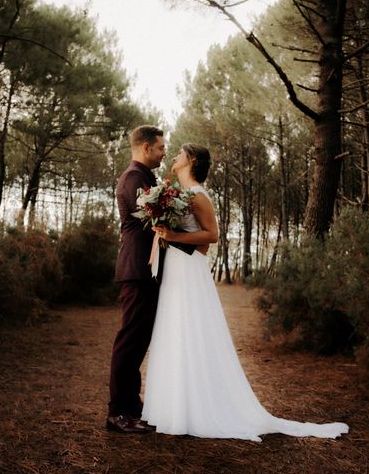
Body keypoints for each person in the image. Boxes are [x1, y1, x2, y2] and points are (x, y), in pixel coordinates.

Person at [141, 143, 349, 442]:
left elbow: (211, 235)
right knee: (176, 332)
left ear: (192, 161)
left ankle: (197, 409)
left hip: (190, 270)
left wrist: (171, 235)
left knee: (190, 331)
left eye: (180, 154)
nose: (173, 156)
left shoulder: (198, 194)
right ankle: (174, 408)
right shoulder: (176, 194)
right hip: (175, 268)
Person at [106, 125, 167, 434]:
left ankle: (132, 404)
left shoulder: (146, 177)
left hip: (146, 271)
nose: (164, 152)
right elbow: (152, 219)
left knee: (138, 340)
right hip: (136, 270)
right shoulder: (133, 179)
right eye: (160, 147)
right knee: (129, 341)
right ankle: (117, 412)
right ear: (145, 147)